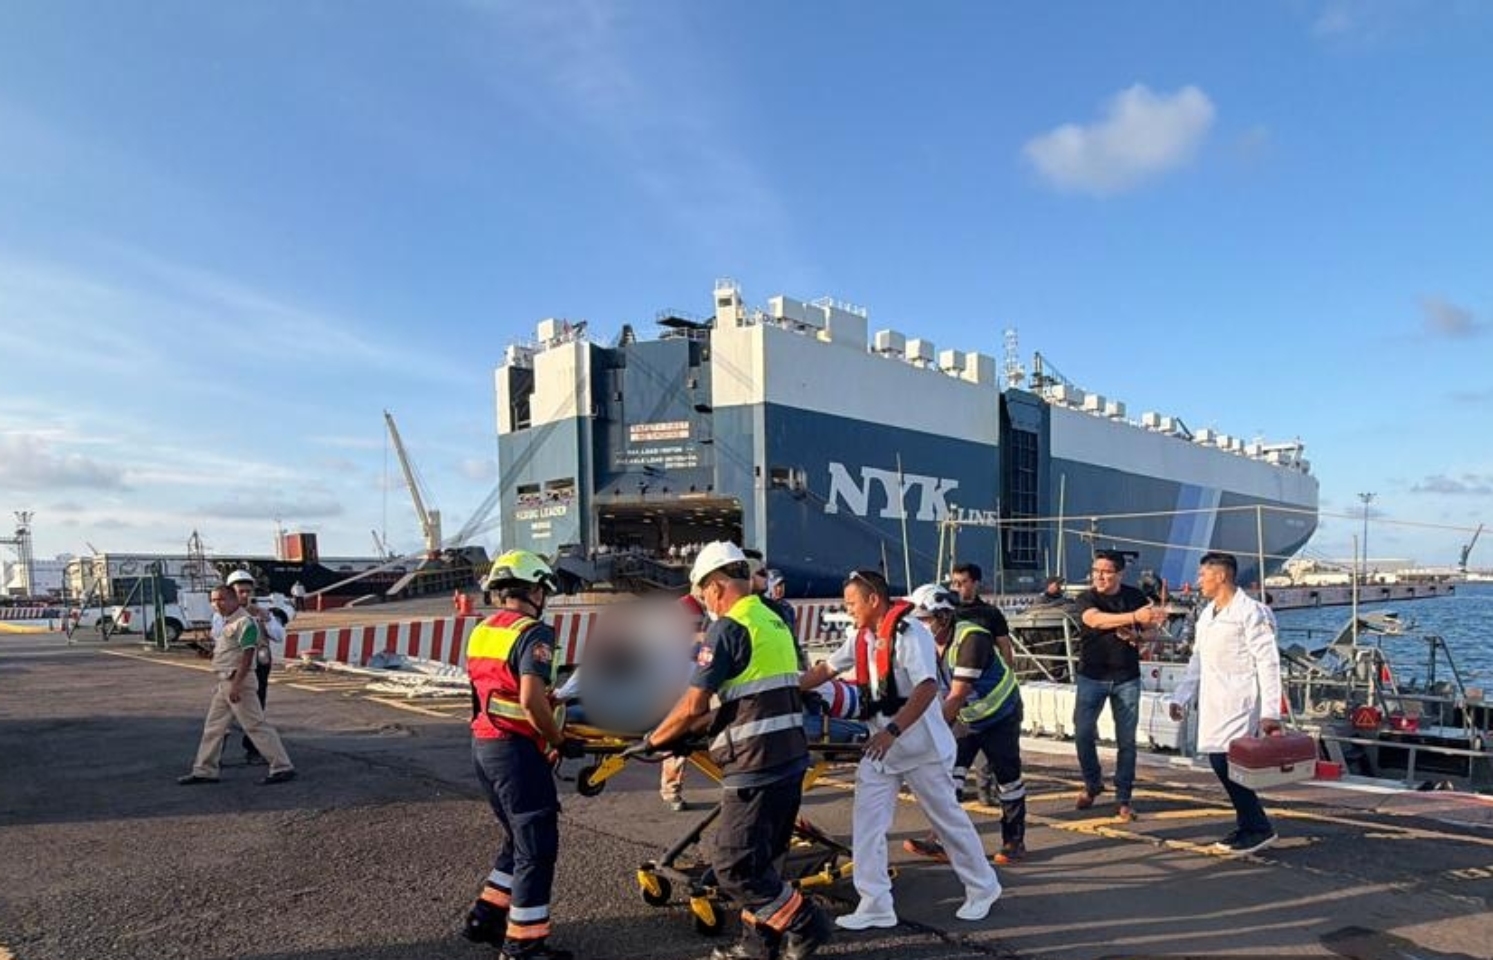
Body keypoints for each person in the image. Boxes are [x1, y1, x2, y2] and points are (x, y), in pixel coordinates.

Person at [632, 541, 830, 960]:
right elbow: (750, 693)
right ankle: (758, 947)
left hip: (754, 763)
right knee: (764, 862)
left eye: (703, 592)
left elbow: (693, 704)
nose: (704, 601)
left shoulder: (728, 628)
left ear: (717, 585)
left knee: (733, 866)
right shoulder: (773, 620)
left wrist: (654, 739)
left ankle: (806, 921)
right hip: (788, 756)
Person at [799, 569, 1001, 931]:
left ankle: (983, 887)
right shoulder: (861, 638)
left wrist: (892, 731)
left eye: (851, 603)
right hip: (882, 751)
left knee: (947, 821)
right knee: (867, 825)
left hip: (921, 748)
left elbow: (926, 688)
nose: (848, 610)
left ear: (873, 600)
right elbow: (826, 669)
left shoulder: (910, 634)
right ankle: (875, 903)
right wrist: (783, 688)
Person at [460, 550, 577, 960]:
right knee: (536, 847)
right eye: (543, 591)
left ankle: (486, 917)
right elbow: (529, 699)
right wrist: (557, 739)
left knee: (517, 839)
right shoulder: (534, 633)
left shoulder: (482, 631)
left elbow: (491, 691)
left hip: (484, 747)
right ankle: (523, 946)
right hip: (515, 752)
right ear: (534, 591)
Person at [901, 584, 1027, 866]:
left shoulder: (972, 639)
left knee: (1008, 780)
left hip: (1000, 715)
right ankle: (942, 842)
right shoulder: (926, 643)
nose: (920, 625)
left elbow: (957, 695)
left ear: (944, 616)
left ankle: (1014, 841)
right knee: (949, 778)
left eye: (925, 619)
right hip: (967, 716)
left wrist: (928, 732)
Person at [1168, 552, 1283, 856]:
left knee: (1229, 762)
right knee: (1222, 762)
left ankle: (1257, 827)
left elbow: (1268, 662)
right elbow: (1197, 660)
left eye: (1202, 575)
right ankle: (1249, 824)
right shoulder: (1208, 614)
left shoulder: (1251, 612)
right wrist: (1181, 696)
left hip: (1240, 699)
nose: (1198, 581)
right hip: (1214, 700)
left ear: (1220, 576)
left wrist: (1271, 712)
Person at [1071, 550, 1167, 821]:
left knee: (1126, 741)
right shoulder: (1086, 597)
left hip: (1127, 677)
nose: (1099, 576)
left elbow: (1152, 630)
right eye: (1096, 571)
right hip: (1091, 675)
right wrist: (1134, 617)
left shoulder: (1134, 596)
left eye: (1106, 572)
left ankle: (1123, 796)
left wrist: (1137, 635)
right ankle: (1092, 782)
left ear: (1120, 574)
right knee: (1082, 733)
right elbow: (1094, 619)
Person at [177, 587, 296, 786]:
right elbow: (231, 652)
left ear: (234, 600)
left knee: (255, 726)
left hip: (238, 682)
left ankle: (282, 766)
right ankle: (205, 770)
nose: (216, 604)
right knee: (214, 728)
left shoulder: (245, 622)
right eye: (213, 600)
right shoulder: (227, 622)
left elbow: (248, 655)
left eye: (221, 599)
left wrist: (237, 685)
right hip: (225, 682)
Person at [947, 562, 1014, 805]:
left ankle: (986, 791)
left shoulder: (989, 614)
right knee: (955, 742)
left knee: (986, 746)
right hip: (952, 684)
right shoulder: (948, 612)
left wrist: (1008, 675)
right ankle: (952, 790)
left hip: (983, 689)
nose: (957, 587)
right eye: (954, 583)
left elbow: (1004, 645)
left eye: (963, 582)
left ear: (975, 583)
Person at [214, 569, 286, 766]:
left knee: (256, 710)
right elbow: (217, 636)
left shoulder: (261, 612)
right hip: (232, 667)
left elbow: (279, 635)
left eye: (248, 591)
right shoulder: (223, 615)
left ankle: (254, 751)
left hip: (258, 667)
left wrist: (267, 619)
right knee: (225, 714)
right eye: (241, 591)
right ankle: (214, 756)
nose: (245, 595)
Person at [659, 592, 708, 813]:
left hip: (700, 686)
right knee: (677, 737)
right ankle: (671, 789)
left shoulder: (710, 611)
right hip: (680, 691)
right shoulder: (682, 609)